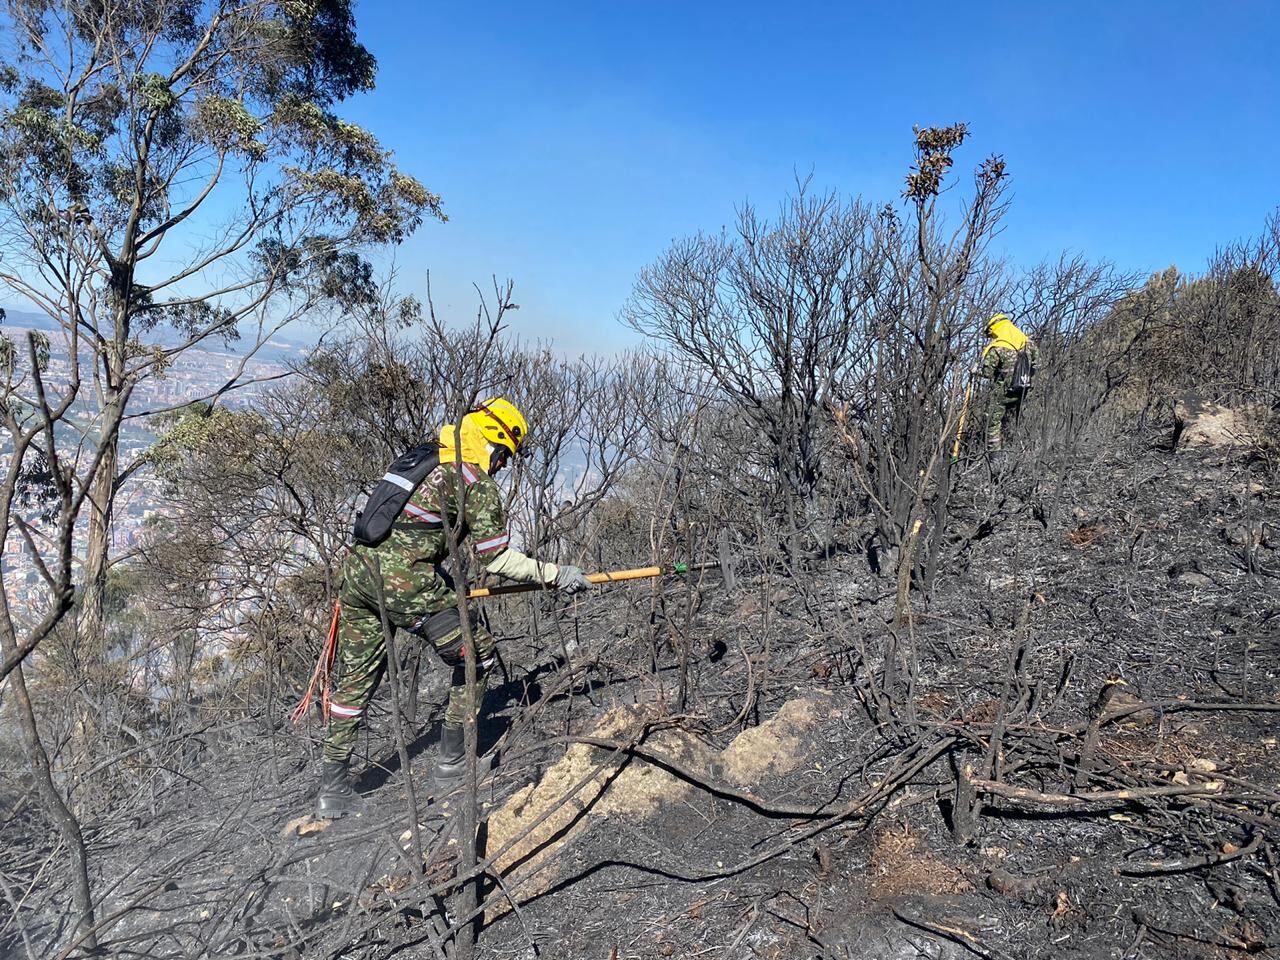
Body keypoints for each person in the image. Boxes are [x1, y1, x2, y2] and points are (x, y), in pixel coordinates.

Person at [316, 398, 591, 818]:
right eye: (505, 458)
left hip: (357, 576)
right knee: (478, 657)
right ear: (495, 444)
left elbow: (402, 531)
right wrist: (556, 573)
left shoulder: (424, 455)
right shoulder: (472, 478)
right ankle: (452, 765)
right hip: (405, 585)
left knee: (354, 683)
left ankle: (332, 790)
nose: (502, 467)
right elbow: (495, 559)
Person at [980, 313, 1037, 462]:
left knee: (993, 422)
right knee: (1020, 420)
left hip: (1004, 392)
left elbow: (987, 373)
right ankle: (1025, 452)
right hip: (1025, 389)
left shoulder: (997, 347)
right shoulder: (1028, 342)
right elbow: (1037, 364)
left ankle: (995, 459)